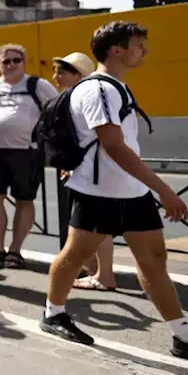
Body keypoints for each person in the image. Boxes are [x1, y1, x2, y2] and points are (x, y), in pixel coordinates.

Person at [41, 22, 188, 362]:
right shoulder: (99, 91)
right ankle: (53, 314)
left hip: (130, 191)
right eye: (139, 45)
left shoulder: (114, 87)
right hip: (98, 193)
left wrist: (148, 188)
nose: (144, 51)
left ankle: (183, 335)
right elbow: (113, 146)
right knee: (73, 257)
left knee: (154, 260)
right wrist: (164, 190)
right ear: (116, 50)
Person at [0, 44, 59, 269]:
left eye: (16, 60)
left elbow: (57, 113)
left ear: (23, 62)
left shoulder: (38, 86)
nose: (11, 65)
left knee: (24, 200)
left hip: (27, 153)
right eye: (6, 61)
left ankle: (15, 250)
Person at [50, 52, 115, 291]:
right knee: (88, 223)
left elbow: (86, 136)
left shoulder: (83, 97)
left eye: (62, 72)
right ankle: (92, 269)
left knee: (96, 224)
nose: (56, 76)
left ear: (78, 75)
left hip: (90, 169)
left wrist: (71, 163)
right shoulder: (76, 96)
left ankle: (104, 275)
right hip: (85, 168)